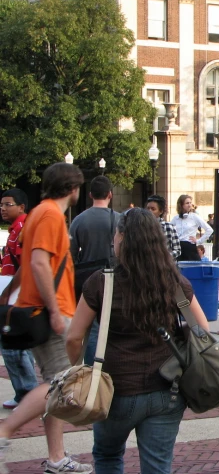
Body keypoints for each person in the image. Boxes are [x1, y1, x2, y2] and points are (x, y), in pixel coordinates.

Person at [66, 208, 210, 473]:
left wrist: (77, 367)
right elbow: (202, 329)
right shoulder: (174, 283)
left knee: (108, 456)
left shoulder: (102, 283)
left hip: (114, 389)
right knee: (158, 465)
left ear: (121, 238)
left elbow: (74, 336)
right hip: (168, 389)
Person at [0, 163, 92, 473]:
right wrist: (55, 311)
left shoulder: (38, 212)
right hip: (50, 309)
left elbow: (26, 262)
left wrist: (8, 293)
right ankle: (5, 431)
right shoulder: (52, 215)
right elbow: (39, 263)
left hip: (36, 307)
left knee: (56, 385)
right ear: (74, 189)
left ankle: (56, 457)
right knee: (60, 384)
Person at [68, 175, 119, 366]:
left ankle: (90, 368)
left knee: (91, 328)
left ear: (90, 194)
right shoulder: (119, 220)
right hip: (115, 278)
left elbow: (71, 255)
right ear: (110, 195)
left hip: (87, 280)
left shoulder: (79, 220)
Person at [0, 189, 38, 411]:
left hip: (17, 296)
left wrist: (7, 292)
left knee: (14, 346)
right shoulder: (15, 229)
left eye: (8, 204)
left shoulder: (23, 229)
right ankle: (24, 391)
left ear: (22, 207)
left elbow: (27, 264)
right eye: (2, 205)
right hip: (14, 294)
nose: (3, 208)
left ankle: (27, 392)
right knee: (15, 345)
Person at [171, 194, 212, 261]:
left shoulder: (194, 216)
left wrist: (199, 241)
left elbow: (209, 230)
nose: (189, 205)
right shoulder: (176, 218)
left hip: (190, 248)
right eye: (187, 203)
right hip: (178, 247)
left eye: (190, 203)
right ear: (181, 205)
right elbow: (169, 230)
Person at [145, 195, 181, 260]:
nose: (149, 211)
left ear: (161, 211)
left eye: (153, 209)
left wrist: (164, 257)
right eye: (148, 208)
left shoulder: (169, 227)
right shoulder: (141, 227)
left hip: (165, 266)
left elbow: (177, 250)